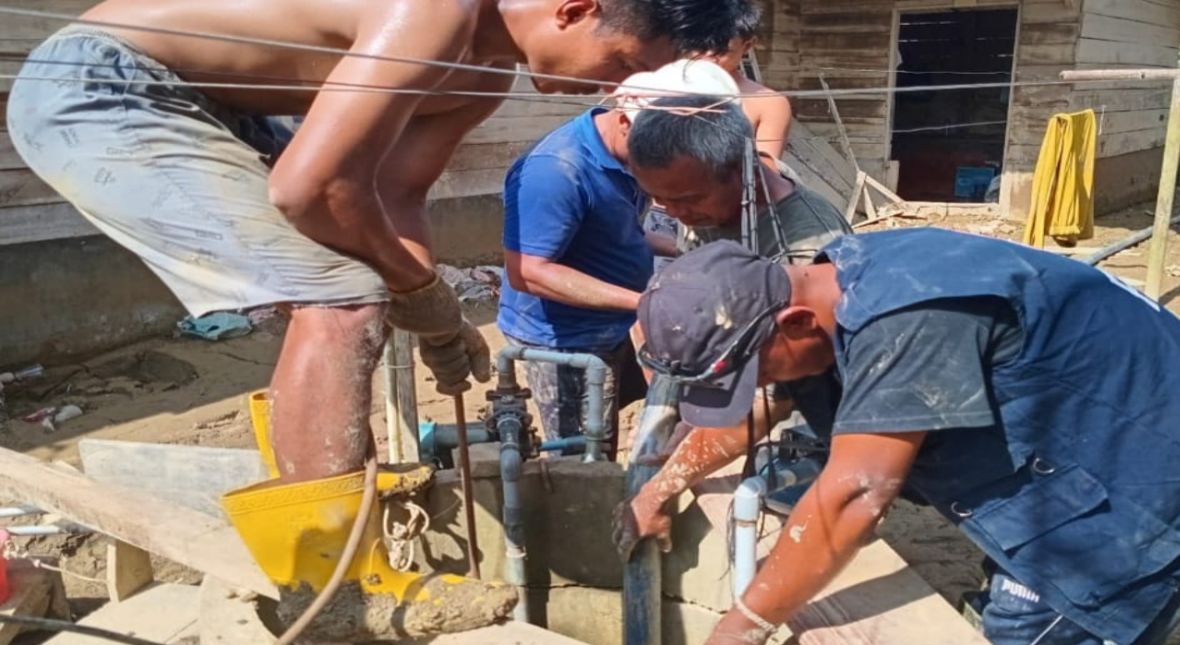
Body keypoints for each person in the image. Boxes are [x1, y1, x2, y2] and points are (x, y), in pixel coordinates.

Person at [6, 0, 743, 486]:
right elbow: (309, 188)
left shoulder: (482, 78)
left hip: (223, 106)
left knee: (352, 291)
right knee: (344, 299)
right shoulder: (436, 12)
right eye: (620, 63)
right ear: (576, 9)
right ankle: (331, 567)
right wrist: (421, 291)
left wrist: (436, 324)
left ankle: (319, 493)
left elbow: (394, 196)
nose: (612, 88)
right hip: (109, 84)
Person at [618, 228, 1180, 645]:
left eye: (758, 373)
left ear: (794, 324)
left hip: (1152, 485)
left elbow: (857, 494)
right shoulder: (829, 288)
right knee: (1001, 632)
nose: (760, 388)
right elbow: (770, 401)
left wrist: (738, 632)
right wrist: (660, 486)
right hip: (1085, 445)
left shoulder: (911, 318)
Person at [499, 61, 736, 451]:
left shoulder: (628, 156)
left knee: (625, 417)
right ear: (626, 121)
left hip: (614, 322)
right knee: (583, 453)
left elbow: (615, 228)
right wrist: (645, 302)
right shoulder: (556, 171)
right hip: (564, 340)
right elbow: (528, 271)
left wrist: (682, 249)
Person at [627, 94, 849, 263]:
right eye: (660, 199)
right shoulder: (702, 195)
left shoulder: (807, 249)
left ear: (746, 171)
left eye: (689, 199)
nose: (674, 213)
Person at [701, 3, 792, 162]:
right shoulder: (661, 90)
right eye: (698, 46)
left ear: (747, 45)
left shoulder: (767, 103)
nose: (708, 55)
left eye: (721, 50)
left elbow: (765, 171)